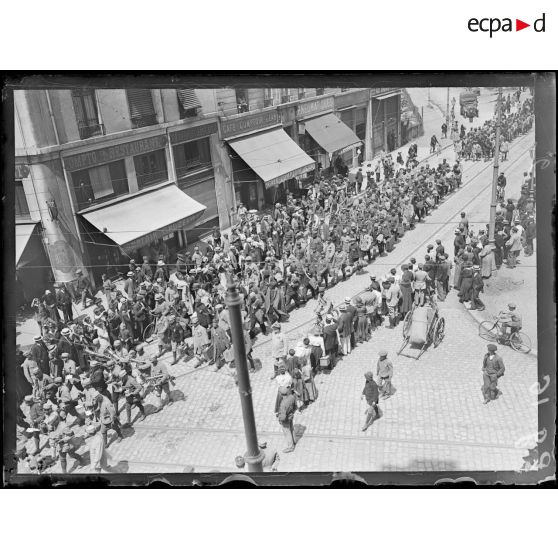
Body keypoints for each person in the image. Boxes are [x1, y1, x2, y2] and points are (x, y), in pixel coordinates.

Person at [276, 386, 297, 453]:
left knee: (287, 432)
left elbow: (283, 417)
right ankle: (294, 440)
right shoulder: (292, 397)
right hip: (291, 416)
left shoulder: (283, 404)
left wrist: (279, 418)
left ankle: (291, 447)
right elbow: (295, 407)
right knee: (291, 428)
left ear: (281, 394)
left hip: (286, 420)